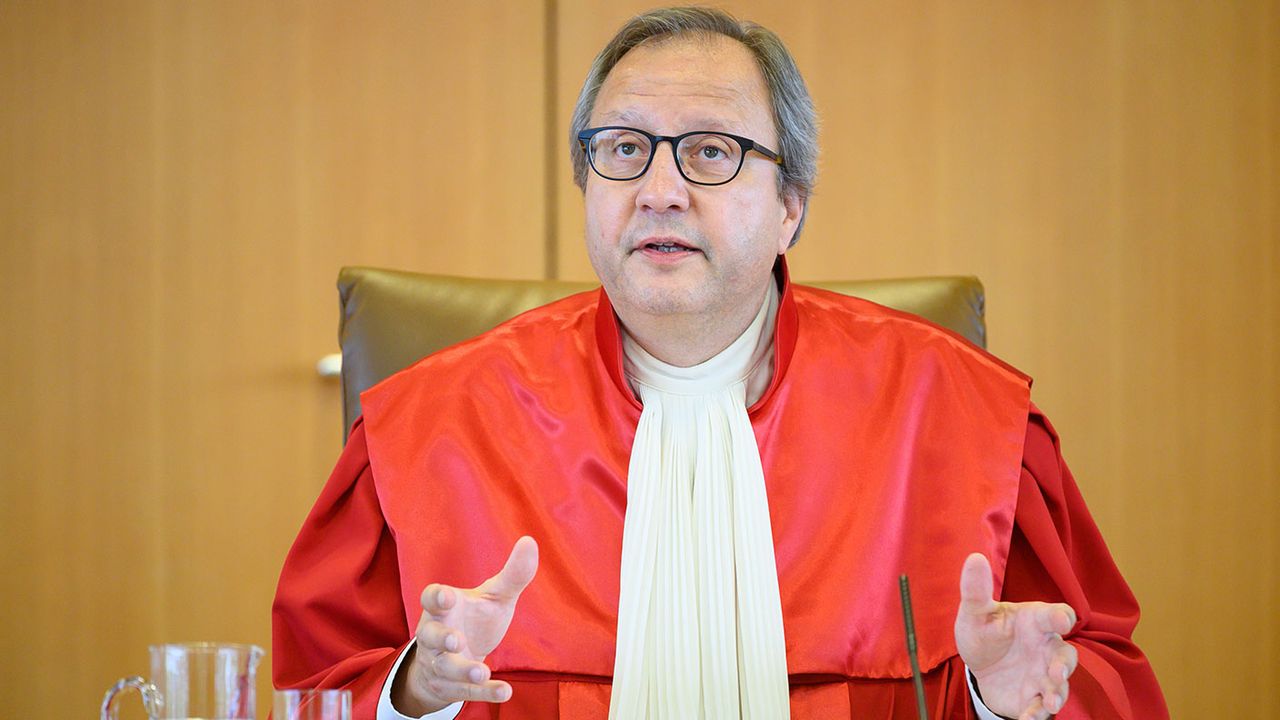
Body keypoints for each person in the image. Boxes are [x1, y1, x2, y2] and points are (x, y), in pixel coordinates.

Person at [273, 8, 1167, 720]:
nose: (659, 188)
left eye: (712, 151)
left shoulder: (966, 419)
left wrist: (1007, 706)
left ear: (790, 205)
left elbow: (1107, 681)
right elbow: (308, 690)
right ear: (588, 186)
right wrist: (415, 692)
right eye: (623, 149)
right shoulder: (429, 425)